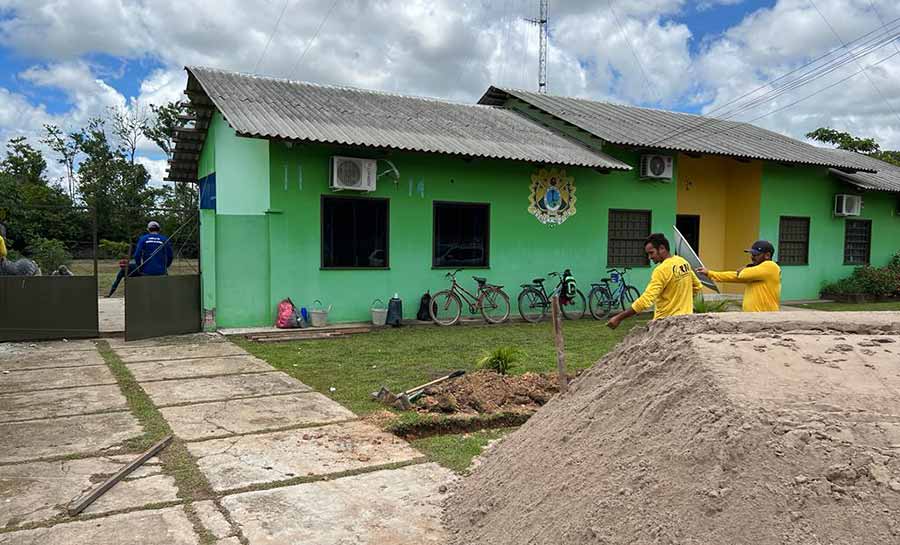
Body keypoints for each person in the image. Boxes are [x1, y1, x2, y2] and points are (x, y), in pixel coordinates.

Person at [607, 233, 702, 329]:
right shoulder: (682, 262)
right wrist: (683, 303)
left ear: (662, 248)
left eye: (651, 253)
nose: (649, 257)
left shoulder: (661, 270)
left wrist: (618, 318)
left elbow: (645, 300)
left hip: (665, 325)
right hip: (686, 322)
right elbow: (697, 286)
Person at [697, 240, 781, 312]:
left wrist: (746, 268)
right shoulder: (756, 271)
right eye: (752, 254)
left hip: (766, 316)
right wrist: (709, 273)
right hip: (754, 317)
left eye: (756, 255)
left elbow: (743, 275)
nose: (752, 257)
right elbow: (734, 276)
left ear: (767, 255)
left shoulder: (770, 266)